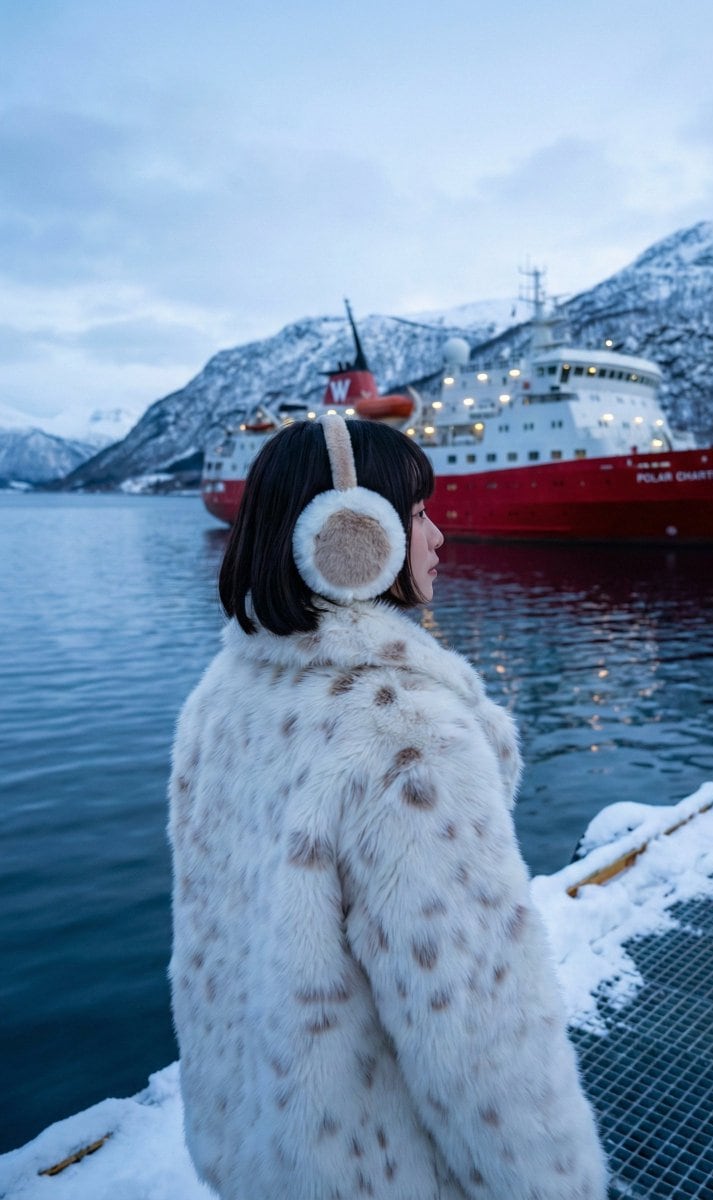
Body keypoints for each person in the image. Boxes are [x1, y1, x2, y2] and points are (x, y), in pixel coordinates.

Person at [168, 413, 608, 1200]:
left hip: (266, 1150)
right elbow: (475, 1035)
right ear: (350, 535)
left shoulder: (219, 699)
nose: (438, 537)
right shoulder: (406, 733)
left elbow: (209, 951)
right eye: (416, 515)